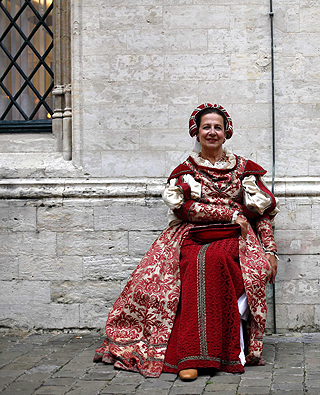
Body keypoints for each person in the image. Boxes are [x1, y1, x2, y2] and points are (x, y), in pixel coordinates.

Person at [94, 103, 279, 380]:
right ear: (197, 131)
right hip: (192, 234)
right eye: (207, 127)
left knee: (213, 261)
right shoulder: (186, 170)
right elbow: (183, 209)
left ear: (227, 132)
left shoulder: (244, 169)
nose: (212, 132)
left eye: (218, 127)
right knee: (190, 263)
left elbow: (261, 214)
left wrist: (271, 251)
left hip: (238, 238)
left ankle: (218, 352)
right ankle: (189, 354)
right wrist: (228, 213)